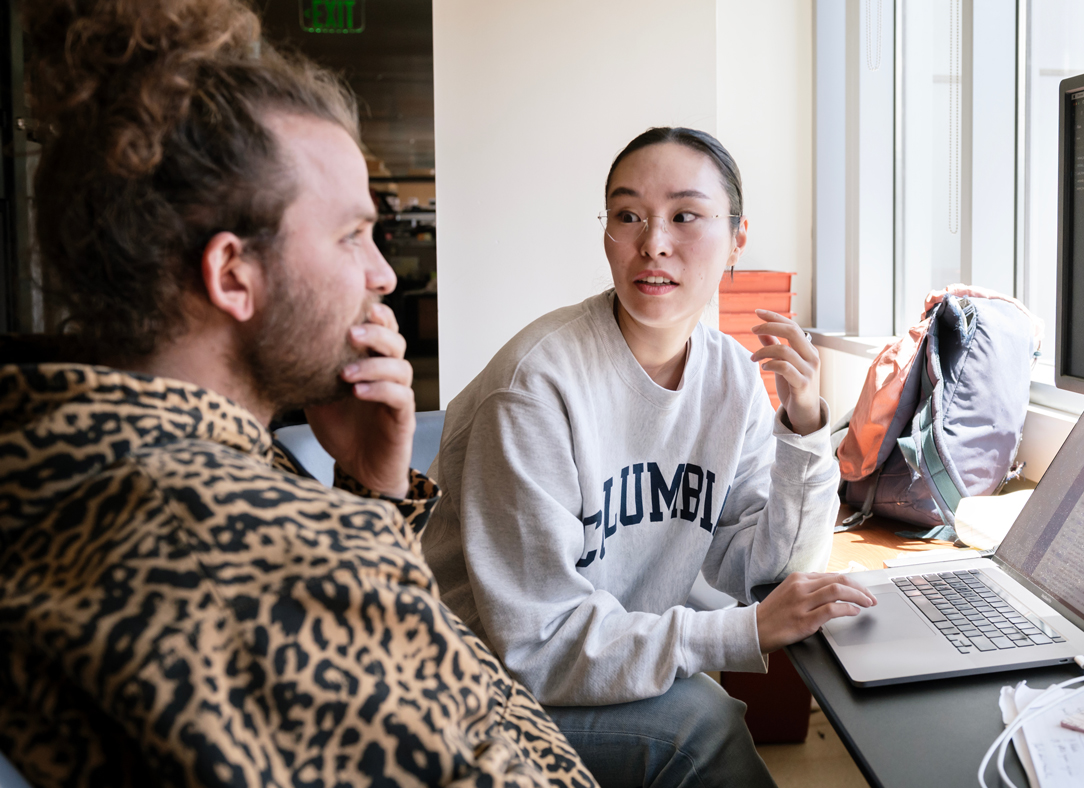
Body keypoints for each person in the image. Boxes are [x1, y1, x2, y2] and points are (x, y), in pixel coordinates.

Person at [0, 1, 594, 786]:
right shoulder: (240, 546)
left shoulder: (81, 456)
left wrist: (371, 498)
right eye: (352, 234)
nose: (383, 274)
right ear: (232, 275)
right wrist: (353, 537)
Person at [422, 127, 877, 788]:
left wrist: (805, 427)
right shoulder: (536, 388)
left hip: (582, 662)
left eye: (685, 216)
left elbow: (772, 568)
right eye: (628, 215)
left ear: (737, 239)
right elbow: (535, 644)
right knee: (701, 725)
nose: (653, 242)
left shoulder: (731, 377)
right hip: (473, 690)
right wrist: (737, 634)